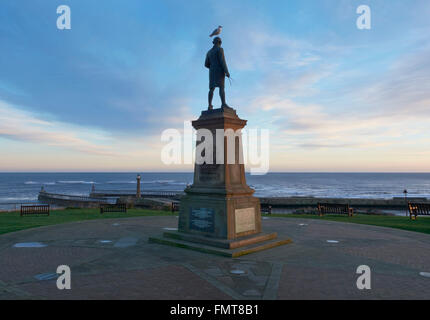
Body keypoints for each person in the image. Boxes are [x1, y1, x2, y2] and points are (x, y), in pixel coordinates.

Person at [205, 37, 230, 109]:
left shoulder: (209, 52)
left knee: (211, 89)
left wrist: (212, 67)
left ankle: (209, 105)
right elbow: (222, 61)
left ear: (213, 42)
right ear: (219, 42)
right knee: (221, 87)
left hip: (212, 71)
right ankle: (223, 104)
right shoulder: (220, 49)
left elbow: (206, 64)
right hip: (219, 71)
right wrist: (226, 71)